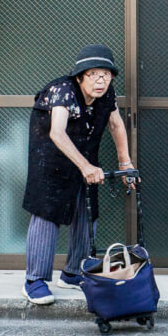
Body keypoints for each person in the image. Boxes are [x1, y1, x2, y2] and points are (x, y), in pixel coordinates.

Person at [21, 44, 135, 305]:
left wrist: (126, 162)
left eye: (106, 74)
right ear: (80, 75)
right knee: (47, 215)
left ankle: (73, 273)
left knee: (86, 213)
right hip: (50, 160)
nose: (100, 80)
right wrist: (85, 166)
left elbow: (116, 124)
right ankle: (34, 280)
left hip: (84, 158)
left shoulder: (106, 95)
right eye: (94, 73)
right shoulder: (62, 90)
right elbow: (57, 132)